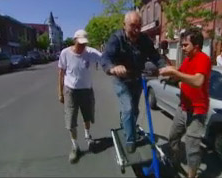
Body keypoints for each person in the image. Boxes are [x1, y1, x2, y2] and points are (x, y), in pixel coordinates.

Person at [101, 11, 166, 153]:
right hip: (121, 81)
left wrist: (164, 67)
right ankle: (130, 139)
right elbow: (105, 58)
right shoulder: (116, 39)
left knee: (134, 110)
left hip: (137, 79)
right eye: (132, 26)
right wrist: (113, 68)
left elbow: (155, 56)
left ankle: (125, 123)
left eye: (139, 26)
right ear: (124, 25)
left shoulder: (144, 39)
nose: (136, 30)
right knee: (128, 109)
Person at [159, 29, 212, 178]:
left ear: (196, 45)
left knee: (192, 148)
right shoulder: (187, 59)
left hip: (197, 111)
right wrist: (168, 74)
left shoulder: (203, 59)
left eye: (185, 45)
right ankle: (176, 162)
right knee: (173, 137)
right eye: (181, 45)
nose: (182, 48)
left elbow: (198, 81)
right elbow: (179, 77)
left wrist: (176, 74)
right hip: (182, 108)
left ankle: (191, 175)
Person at [58, 29, 102, 164]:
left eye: (84, 43)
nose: (82, 46)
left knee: (87, 116)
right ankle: (75, 146)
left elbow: (106, 59)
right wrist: (60, 92)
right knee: (70, 120)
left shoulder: (90, 52)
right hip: (70, 91)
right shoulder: (65, 53)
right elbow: (61, 73)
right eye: (80, 43)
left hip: (86, 90)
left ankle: (88, 137)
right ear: (74, 40)